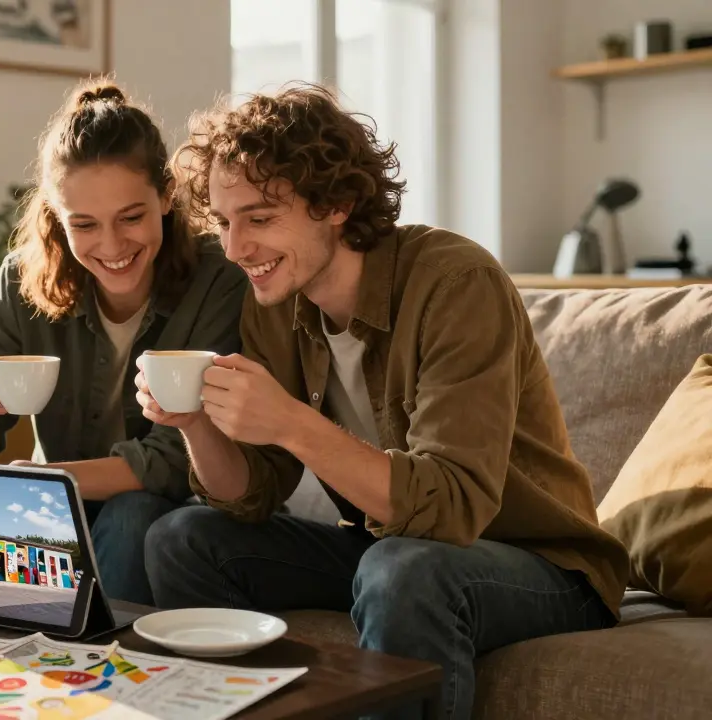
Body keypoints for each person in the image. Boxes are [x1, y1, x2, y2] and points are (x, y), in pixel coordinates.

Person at [136, 84, 629, 719]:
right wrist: (195, 425)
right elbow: (253, 494)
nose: (235, 249)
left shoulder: (457, 283)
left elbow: (451, 506)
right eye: (226, 223)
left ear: (338, 202)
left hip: (542, 564)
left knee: (403, 571)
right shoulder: (275, 303)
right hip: (390, 547)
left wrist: (292, 422)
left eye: (259, 218)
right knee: (181, 538)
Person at [0, 80, 247, 606]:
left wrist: (50, 478)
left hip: (157, 507)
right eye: (84, 224)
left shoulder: (217, 280)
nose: (112, 246)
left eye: (131, 217)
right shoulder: (22, 283)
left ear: (165, 195)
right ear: (57, 217)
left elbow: (174, 464)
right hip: (55, 507)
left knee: (135, 515)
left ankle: (103, 673)